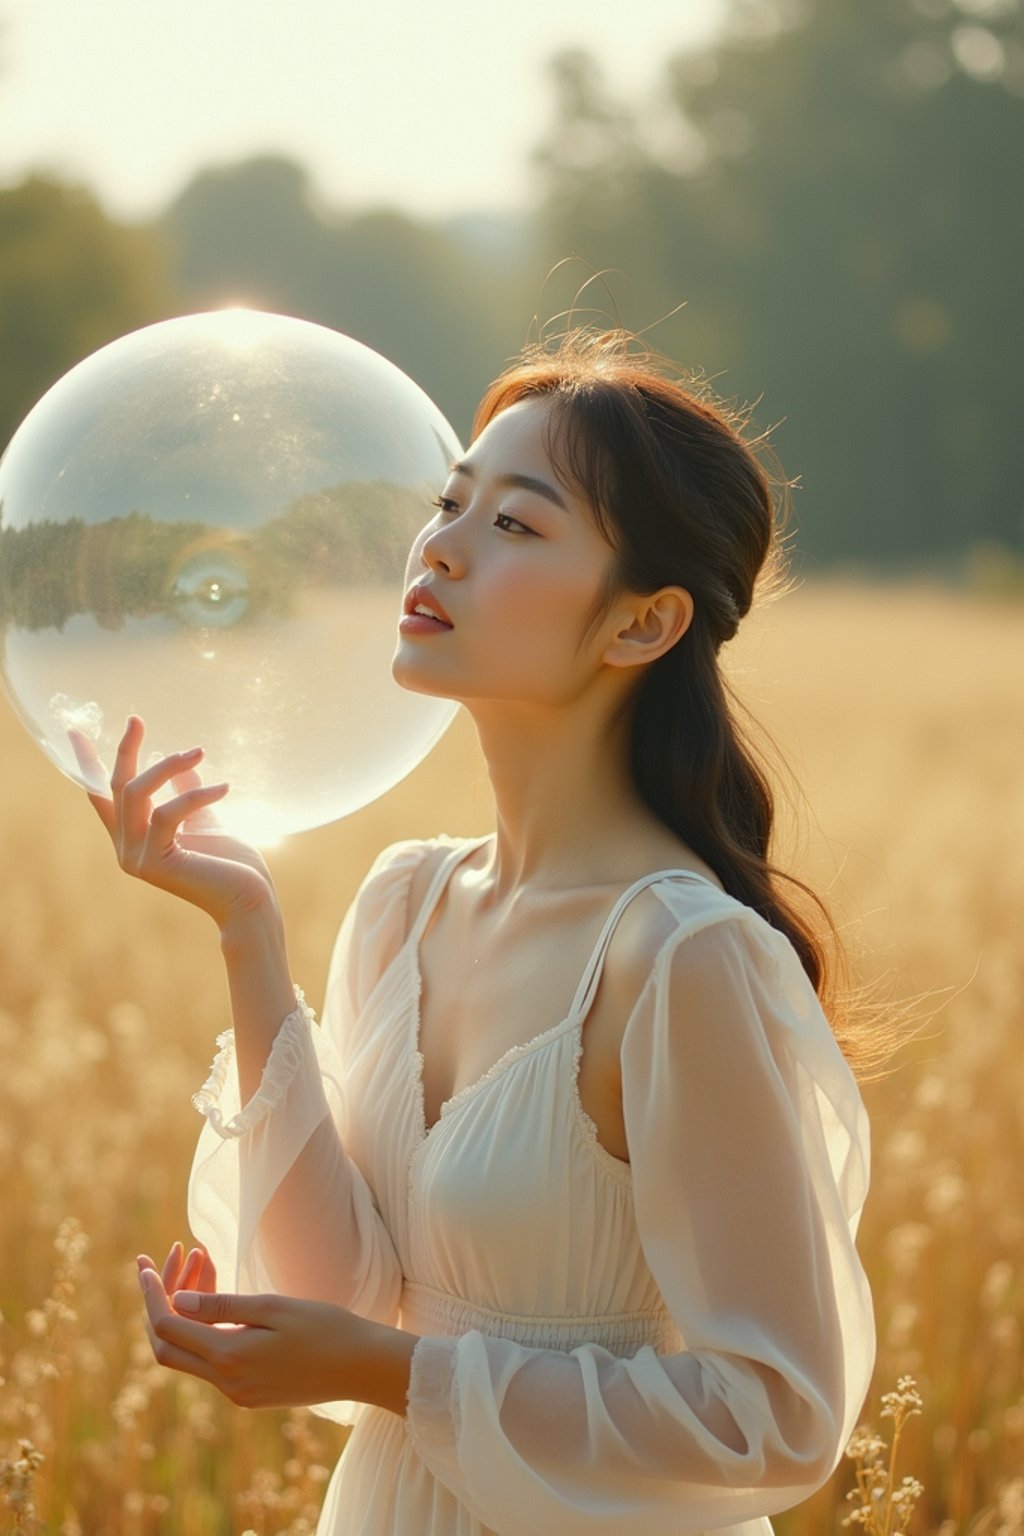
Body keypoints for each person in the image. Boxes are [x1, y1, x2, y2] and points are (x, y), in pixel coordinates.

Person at [84, 329, 875, 1536]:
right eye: (452, 500)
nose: (440, 545)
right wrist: (247, 930)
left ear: (642, 625)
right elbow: (337, 1292)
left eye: (515, 524)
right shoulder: (403, 902)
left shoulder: (679, 959)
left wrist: (394, 1372)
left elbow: (773, 1414)